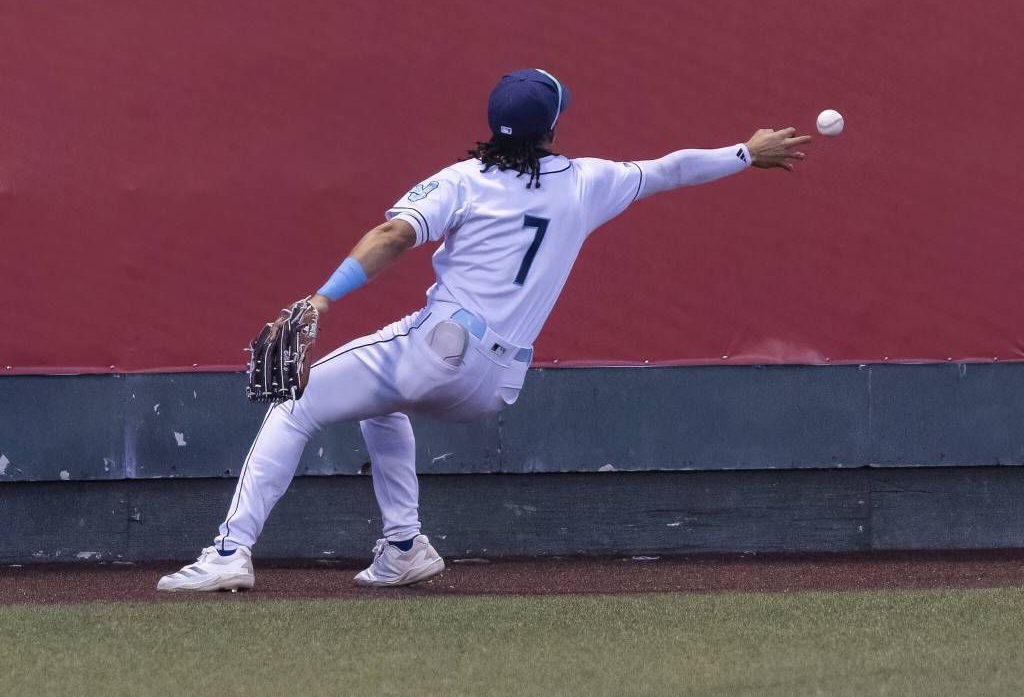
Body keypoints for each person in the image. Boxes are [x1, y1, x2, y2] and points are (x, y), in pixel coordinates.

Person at [157, 68, 810, 591]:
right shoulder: (587, 182)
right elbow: (670, 168)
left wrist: (324, 298)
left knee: (294, 403)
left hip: (440, 346)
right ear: (551, 127)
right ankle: (404, 545)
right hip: (498, 380)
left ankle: (228, 552)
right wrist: (746, 153)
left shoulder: (463, 179)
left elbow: (393, 235)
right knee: (378, 406)